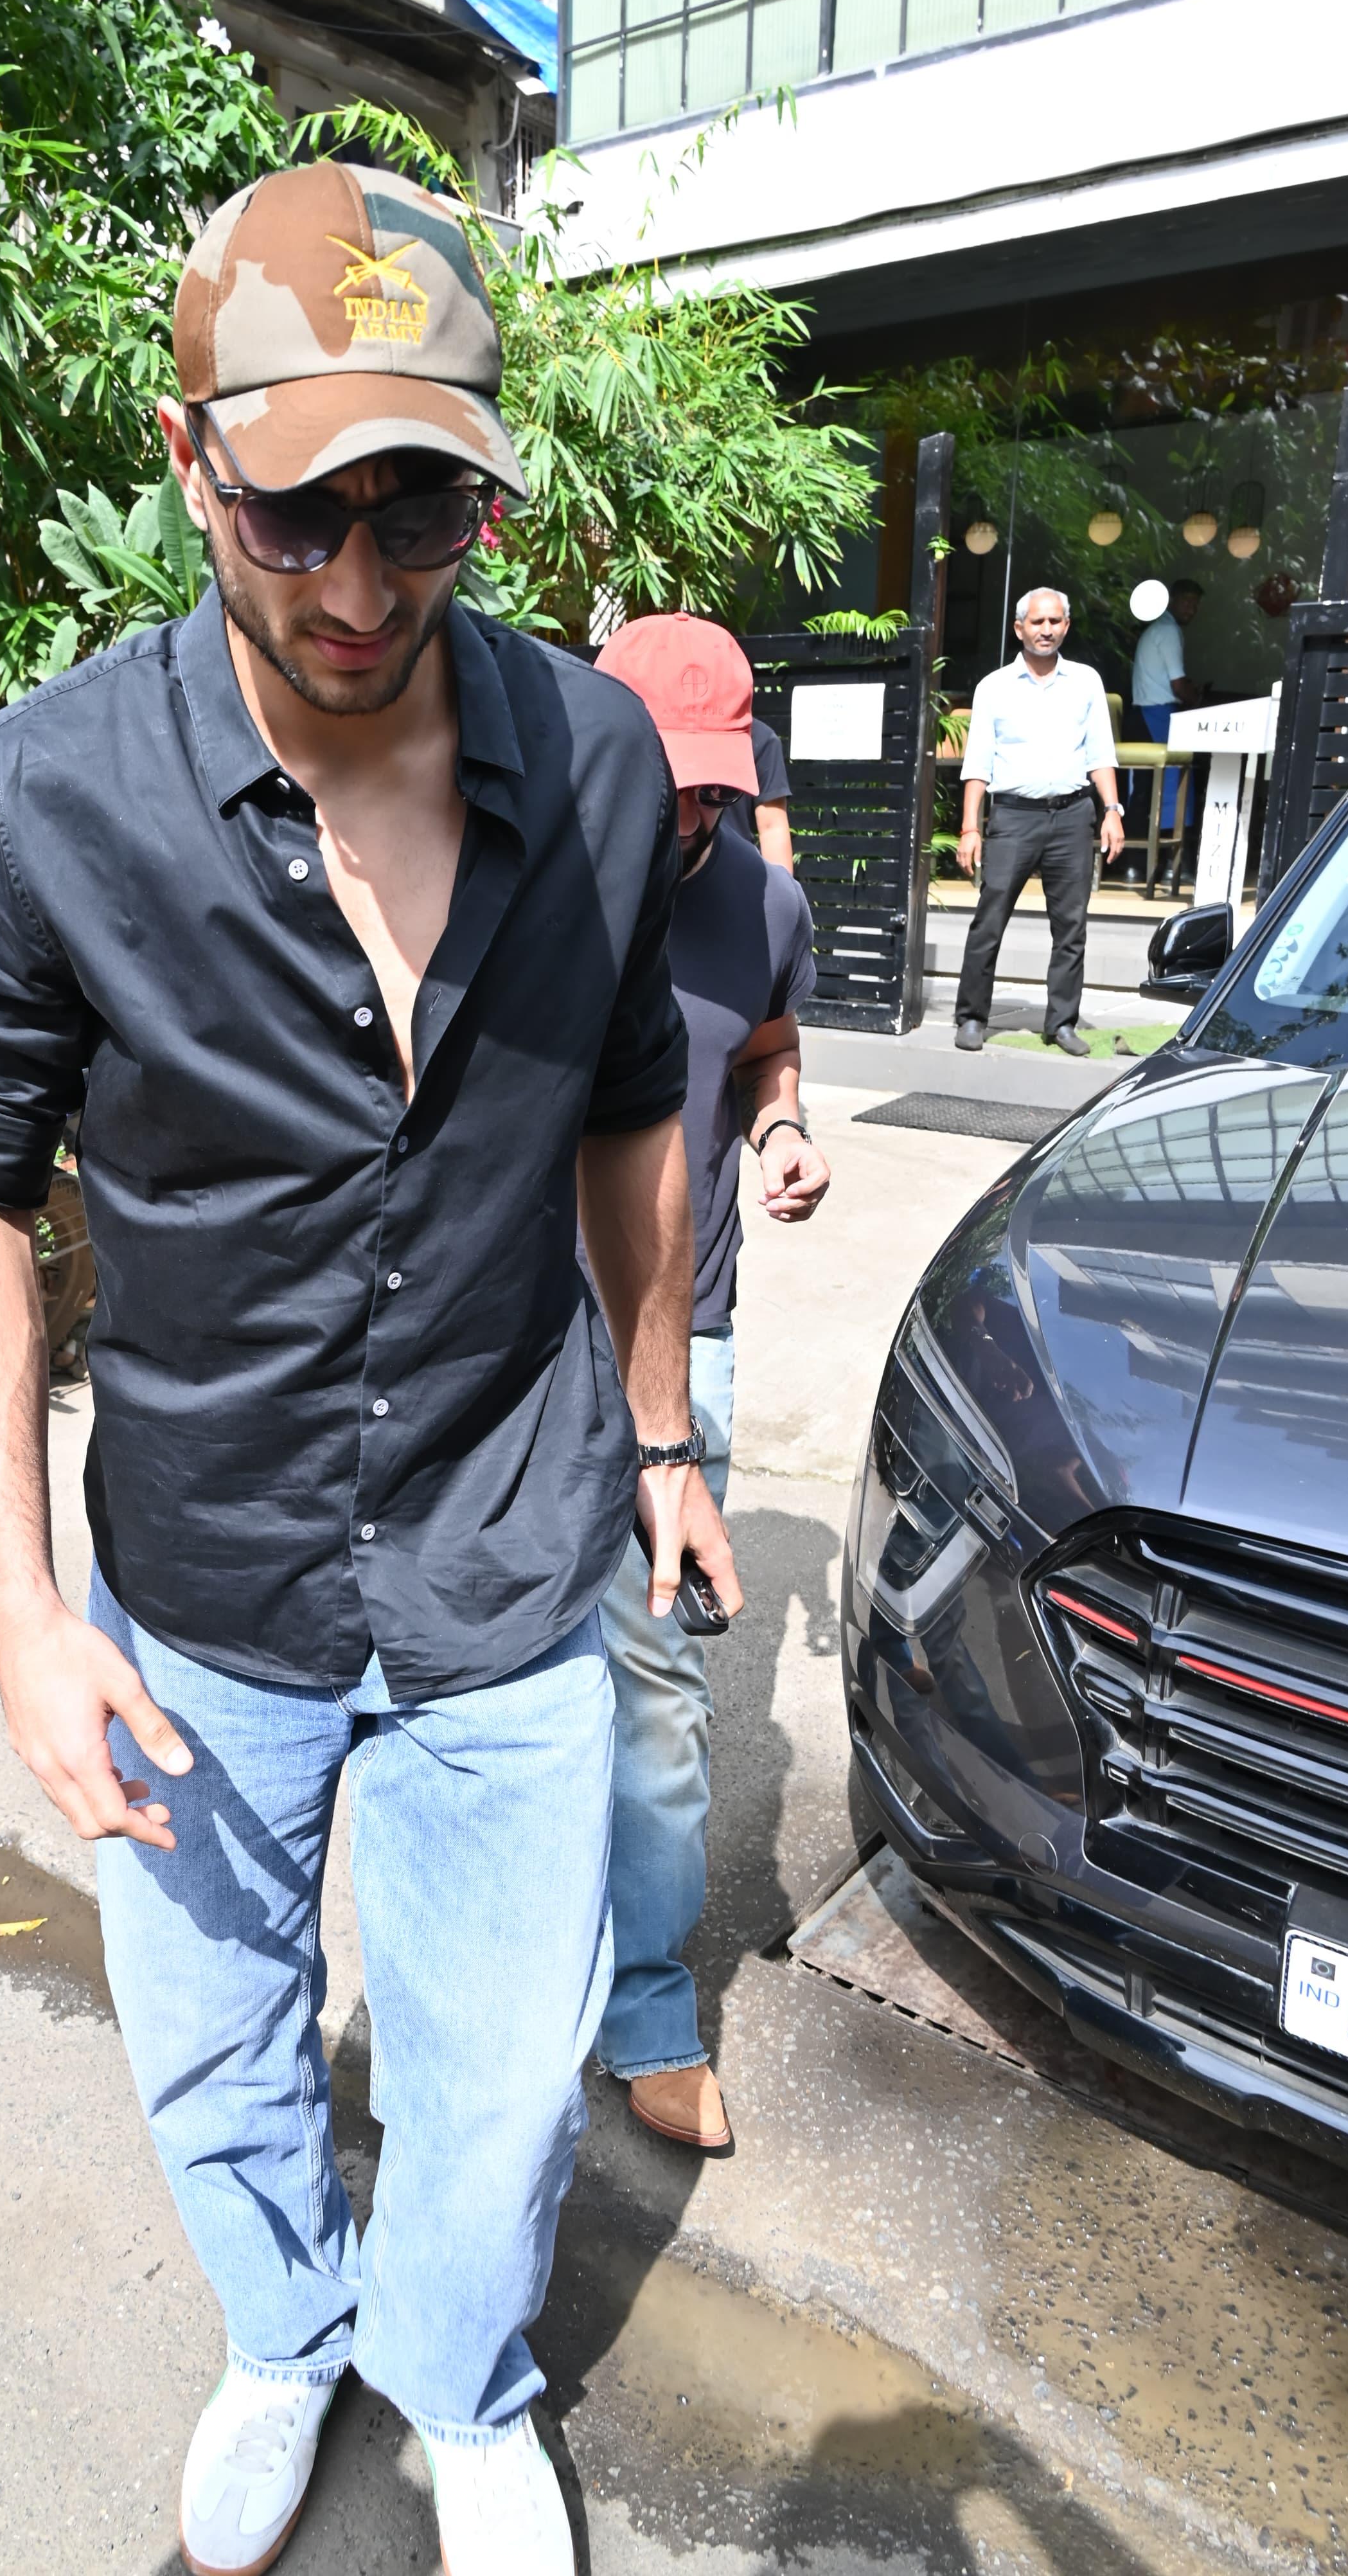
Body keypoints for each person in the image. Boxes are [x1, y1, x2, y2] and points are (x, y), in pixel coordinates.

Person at [0, 159, 741, 2576]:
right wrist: (17, 1614)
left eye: (421, 518)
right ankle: (286, 2337)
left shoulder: (590, 762)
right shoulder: (45, 802)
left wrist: (666, 1419)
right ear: (189, 460)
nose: (361, 590)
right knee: (213, 2036)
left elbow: (622, 1112)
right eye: (296, 522)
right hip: (200, 1566)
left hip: (508, 1549)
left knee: (492, 2068)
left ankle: (460, 2384)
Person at [591, 614, 829, 2151]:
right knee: (490, 1681)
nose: (684, 814)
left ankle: (646, 2008)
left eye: (707, 785)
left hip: (693, 1349)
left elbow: (763, 1044)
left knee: (660, 1695)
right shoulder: (514, 873)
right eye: (657, 779)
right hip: (511, 1337)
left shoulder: (760, 896)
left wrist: (782, 1123)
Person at [952, 587, 1125, 1058]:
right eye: (1036, 622)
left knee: (1071, 926)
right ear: (1019, 628)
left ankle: (1062, 1023)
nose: (1045, 630)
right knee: (989, 921)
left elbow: (1100, 756)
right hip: (1012, 816)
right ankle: (971, 1017)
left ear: (1065, 626)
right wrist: (970, 828)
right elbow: (977, 764)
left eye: (1054, 622)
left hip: (1073, 815)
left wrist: (1111, 810)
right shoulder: (993, 687)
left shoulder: (1086, 682)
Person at [1130, 577, 1204, 893]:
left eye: (1195, 603)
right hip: (1159, 713)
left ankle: (1135, 866)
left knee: (1144, 791)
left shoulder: (1153, 631)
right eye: (1186, 601)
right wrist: (1197, 697)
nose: (1191, 608)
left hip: (1142, 714)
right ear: (1170, 601)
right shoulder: (1169, 631)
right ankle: (1178, 867)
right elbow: (1178, 684)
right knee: (1177, 788)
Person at [722, 711, 796, 872]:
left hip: (736, 878)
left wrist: (782, 895)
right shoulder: (660, 734)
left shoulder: (760, 738)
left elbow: (772, 828)